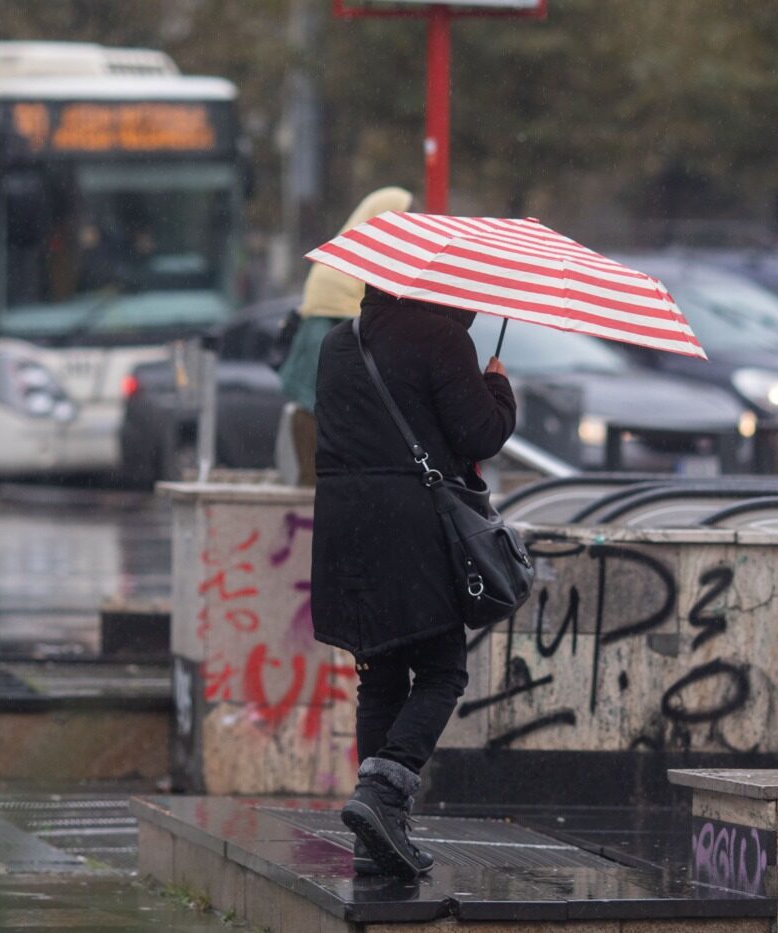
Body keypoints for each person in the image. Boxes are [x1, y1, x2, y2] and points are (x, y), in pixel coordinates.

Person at [310, 284, 517, 878]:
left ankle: (375, 839)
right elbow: (481, 436)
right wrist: (498, 385)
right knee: (442, 670)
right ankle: (382, 793)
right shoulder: (440, 336)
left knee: (378, 675)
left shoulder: (337, 342)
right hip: (412, 530)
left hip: (345, 527)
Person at [274, 187, 413, 486]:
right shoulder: (342, 272)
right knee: (317, 485)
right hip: (317, 413)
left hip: (320, 411)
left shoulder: (355, 259)